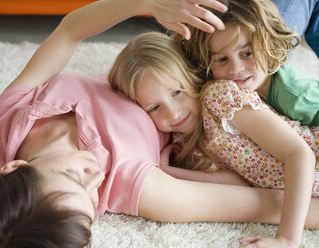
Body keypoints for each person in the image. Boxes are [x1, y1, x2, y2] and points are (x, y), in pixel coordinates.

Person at [108, 30, 319, 247]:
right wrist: (168, 172)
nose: (173, 113)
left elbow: (300, 154)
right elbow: (237, 185)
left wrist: (287, 239)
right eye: (154, 107)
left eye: (177, 92)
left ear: (191, 75)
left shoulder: (219, 98)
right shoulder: (185, 142)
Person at [172, 0, 319, 126]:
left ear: (269, 47)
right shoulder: (219, 89)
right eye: (222, 59)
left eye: (247, 53)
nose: (235, 69)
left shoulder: (296, 98)